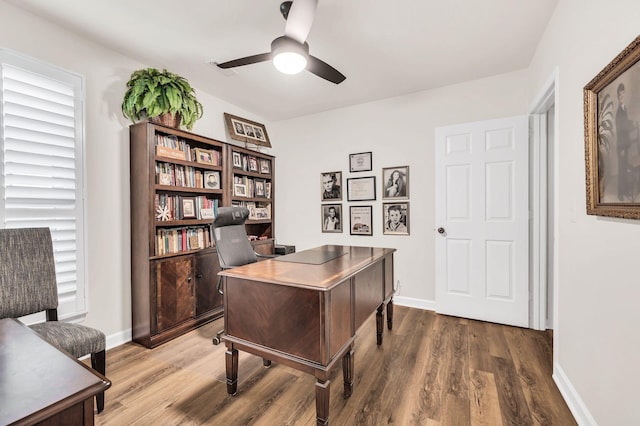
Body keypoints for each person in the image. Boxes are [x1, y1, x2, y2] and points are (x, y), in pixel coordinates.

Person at [615, 83, 638, 201]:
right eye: (620, 95)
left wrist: (633, 123)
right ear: (618, 97)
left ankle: (625, 191)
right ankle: (620, 193)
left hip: (625, 145)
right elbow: (621, 128)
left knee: (625, 169)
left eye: (623, 93)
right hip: (621, 146)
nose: (622, 96)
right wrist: (623, 148)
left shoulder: (625, 108)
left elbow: (626, 123)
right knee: (621, 170)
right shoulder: (619, 112)